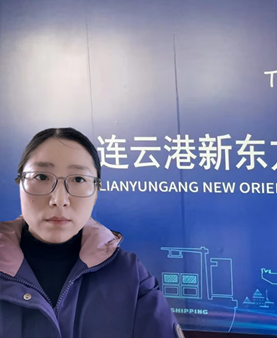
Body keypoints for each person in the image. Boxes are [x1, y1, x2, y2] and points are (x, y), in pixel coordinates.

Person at [0, 127, 184, 338]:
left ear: (96, 192)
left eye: (78, 179)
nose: (59, 200)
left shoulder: (130, 276)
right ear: (20, 184)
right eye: (41, 177)